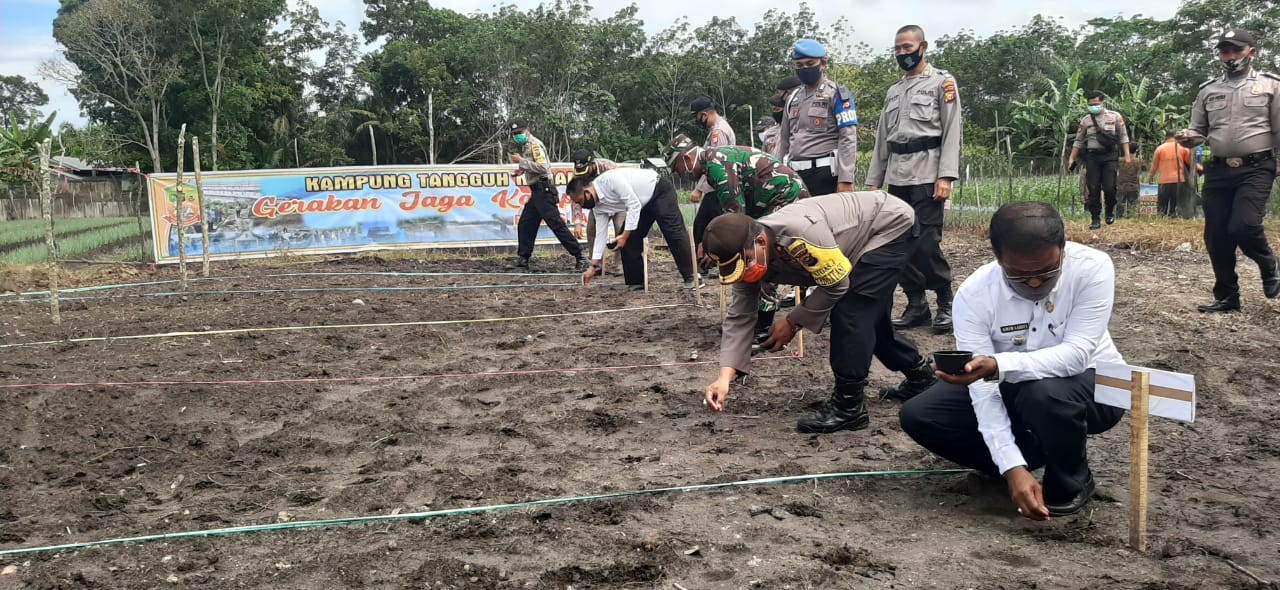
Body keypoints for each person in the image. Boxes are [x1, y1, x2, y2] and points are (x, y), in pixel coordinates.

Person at [899, 202, 1125, 520]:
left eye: (1047, 272)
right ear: (997, 257)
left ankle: (1073, 477)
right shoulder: (975, 296)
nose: (1034, 283)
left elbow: (1077, 355)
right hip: (1014, 386)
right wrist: (1011, 466)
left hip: (1099, 385)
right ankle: (1029, 460)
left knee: (1042, 393)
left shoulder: (1093, 268)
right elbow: (983, 391)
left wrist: (998, 366)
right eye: (1019, 274)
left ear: (1063, 249)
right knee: (920, 415)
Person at [700, 192, 937, 434]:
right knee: (870, 319)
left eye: (746, 262)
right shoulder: (746, 255)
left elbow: (837, 285)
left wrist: (793, 321)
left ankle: (848, 408)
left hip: (888, 227)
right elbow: (740, 317)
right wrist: (724, 378)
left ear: (761, 242)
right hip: (855, 242)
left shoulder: (799, 236)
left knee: (852, 312)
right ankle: (921, 376)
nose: (744, 272)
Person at [665, 134, 811, 341]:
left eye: (677, 168)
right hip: (769, 201)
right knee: (751, 251)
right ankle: (753, 317)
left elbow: (737, 220)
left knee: (759, 253)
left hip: (785, 197)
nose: (680, 174)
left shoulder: (717, 167)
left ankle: (763, 325)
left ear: (686, 159)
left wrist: (718, 252)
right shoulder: (712, 162)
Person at [866, 25, 962, 335]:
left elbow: (952, 130)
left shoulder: (942, 83)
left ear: (923, 46)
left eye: (908, 47)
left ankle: (945, 302)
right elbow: (883, 139)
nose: (902, 54)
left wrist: (946, 175)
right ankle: (916, 304)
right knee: (896, 243)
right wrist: (873, 182)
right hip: (897, 176)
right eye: (898, 49)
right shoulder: (894, 91)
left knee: (924, 243)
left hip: (927, 173)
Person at [1177, 29, 1280, 313]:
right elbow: (1199, 130)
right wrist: (1189, 137)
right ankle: (1227, 296)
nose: (1230, 56)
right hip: (1219, 170)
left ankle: (1269, 263)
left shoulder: (1272, 86)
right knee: (1216, 234)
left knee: (1244, 226)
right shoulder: (1209, 90)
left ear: (1251, 52)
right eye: (1225, 51)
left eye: (1236, 50)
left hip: (1257, 167)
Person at [568, 168, 697, 290]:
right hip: (642, 203)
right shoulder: (597, 207)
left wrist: (624, 236)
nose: (582, 206)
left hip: (659, 191)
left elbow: (633, 205)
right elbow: (601, 234)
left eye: (580, 201)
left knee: (673, 233)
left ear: (587, 192)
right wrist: (593, 266)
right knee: (629, 241)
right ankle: (636, 282)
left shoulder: (610, 180)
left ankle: (693, 276)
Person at [776, 39, 858, 195]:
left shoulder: (836, 93)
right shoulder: (793, 97)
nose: (804, 68)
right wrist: (779, 174)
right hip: (796, 175)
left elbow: (848, 137)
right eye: (799, 65)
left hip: (825, 174)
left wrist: (846, 179)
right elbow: (785, 139)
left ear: (823, 64)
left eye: (810, 63)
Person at [507, 120, 587, 271]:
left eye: (519, 133)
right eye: (515, 134)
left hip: (544, 190)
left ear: (528, 130)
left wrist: (522, 162)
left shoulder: (535, 145)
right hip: (537, 191)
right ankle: (523, 259)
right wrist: (521, 170)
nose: (517, 136)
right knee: (526, 223)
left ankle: (580, 256)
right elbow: (534, 165)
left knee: (556, 224)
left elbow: (543, 168)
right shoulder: (527, 146)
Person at [1067, 92, 1133, 230]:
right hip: (1092, 157)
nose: (1093, 107)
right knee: (1093, 188)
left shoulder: (1115, 117)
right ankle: (1095, 218)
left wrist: (1127, 155)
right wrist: (1072, 158)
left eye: (1096, 104)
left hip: (1110, 156)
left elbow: (1123, 136)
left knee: (1109, 187)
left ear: (1103, 103)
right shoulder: (1085, 120)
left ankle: (1109, 212)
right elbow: (1078, 141)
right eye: (1090, 105)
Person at [570, 149, 623, 268]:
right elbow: (576, 197)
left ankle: (620, 264)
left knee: (620, 229)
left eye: (585, 170)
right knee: (591, 230)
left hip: (618, 202)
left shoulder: (610, 168)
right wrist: (577, 222)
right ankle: (596, 264)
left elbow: (623, 188)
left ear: (592, 164)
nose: (583, 174)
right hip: (598, 204)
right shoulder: (578, 175)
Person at [1149, 133, 1194, 217]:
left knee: (1162, 203)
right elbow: (1189, 162)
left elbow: (1154, 166)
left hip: (1164, 180)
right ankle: (1172, 216)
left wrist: (1151, 177)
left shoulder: (1160, 148)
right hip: (1178, 180)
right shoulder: (1182, 148)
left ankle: (1161, 216)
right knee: (1174, 201)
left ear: (1166, 137)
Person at [1116, 146, 1145, 219]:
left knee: (1120, 204)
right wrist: (1140, 158)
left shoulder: (1120, 160)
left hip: (1121, 186)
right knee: (1132, 205)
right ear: (1135, 152)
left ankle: (1119, 218)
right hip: (1133, 186)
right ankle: (1131, 218)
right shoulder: (1138, 161)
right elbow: (1144, 169)